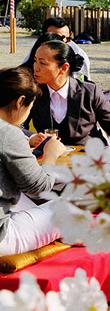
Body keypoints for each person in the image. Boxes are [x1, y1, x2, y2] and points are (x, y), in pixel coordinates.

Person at [0, 67, 67, 256]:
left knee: (28, 201)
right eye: (29, 107)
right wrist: (51, 153)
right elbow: (40, 187)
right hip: (2, 237)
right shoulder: (7, 133)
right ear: (21, 102)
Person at [28, 40, 110, 145]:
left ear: (64, 68)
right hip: (48, 155)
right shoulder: (32, 91)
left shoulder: (90, 92)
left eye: (42, 63)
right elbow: (16, 125)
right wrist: (32, 137)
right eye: (35, 61)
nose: (35, 68)